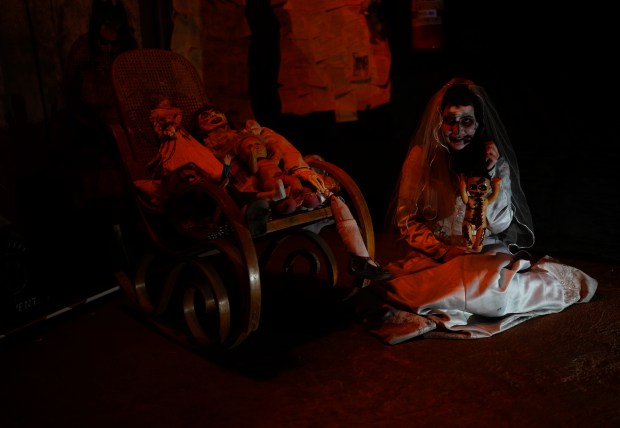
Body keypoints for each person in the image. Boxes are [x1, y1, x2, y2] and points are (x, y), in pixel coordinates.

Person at [352, 77, 598, 344]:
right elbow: (406, 220)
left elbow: (501, 225)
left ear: (479, 124)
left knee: (494, 294)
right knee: (412, 292)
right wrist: (443, 251)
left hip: (486, 252)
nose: (458, 130)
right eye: (450, 121)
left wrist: (489, 173)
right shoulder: (420, 159)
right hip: (436, 254)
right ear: (439, 122)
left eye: (466, 121)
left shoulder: (495, 162)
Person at [191, 104, 392, 281]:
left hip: (278, 178)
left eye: (216, 114)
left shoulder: (251, 133)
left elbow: (281, 148)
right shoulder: (207, 151)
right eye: (206, 117)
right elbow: (217, 174)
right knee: (278, 197)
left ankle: (361, 258)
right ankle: (277, 202)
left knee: (323, 193)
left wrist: (298, 169)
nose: (213, 116)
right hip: (249, 191)